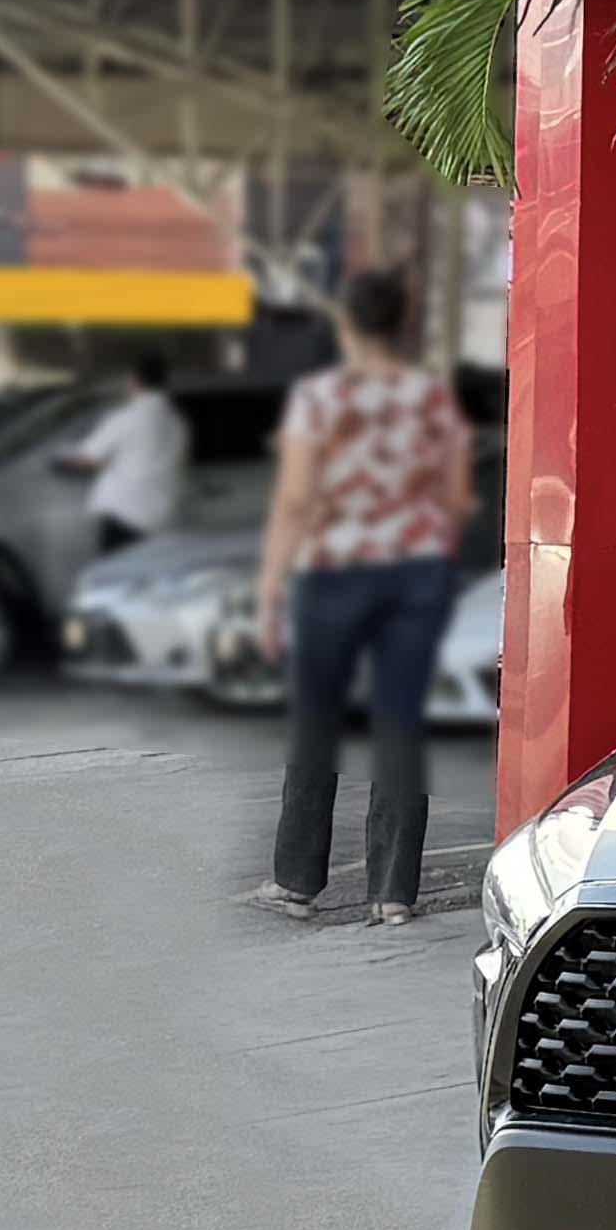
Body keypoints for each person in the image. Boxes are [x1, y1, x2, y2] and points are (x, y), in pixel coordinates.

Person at [255, 270, 470, 924]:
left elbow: (295, 500)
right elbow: (454, 499)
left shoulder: (321, 398)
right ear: (401, 324)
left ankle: (296, 885)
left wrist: (270, 588)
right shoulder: (431, 399)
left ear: (346, 324)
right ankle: (393, 894)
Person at [61, 348, 190, 558]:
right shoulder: (177, 422)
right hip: (161, 518)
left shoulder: (125, 418)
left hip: (124, 516)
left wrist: (82, 462)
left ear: (135, 381)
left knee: (116, 573)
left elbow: (83, 458)